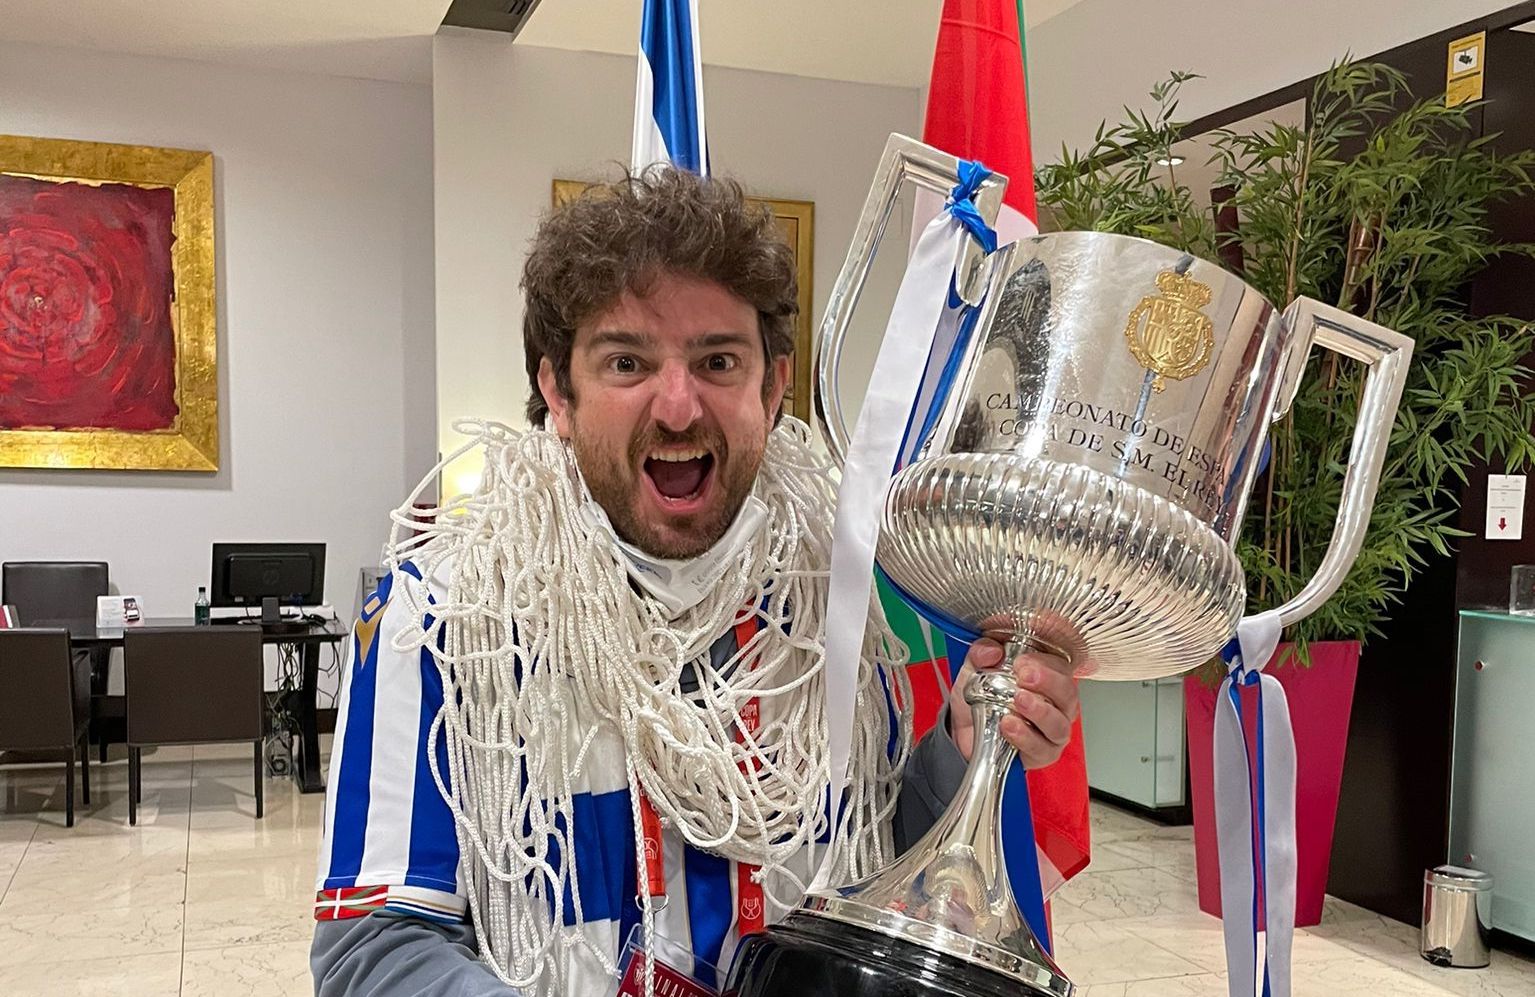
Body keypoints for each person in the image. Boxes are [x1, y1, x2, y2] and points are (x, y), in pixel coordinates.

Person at [310, 168, 1080, 997]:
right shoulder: (443, 610)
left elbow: (882, 875)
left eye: (717, 359)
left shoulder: (842, 594)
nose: (677, 407)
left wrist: (963, 756)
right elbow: (374, 953)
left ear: (774, 385)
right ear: (554, 391)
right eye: (626, 361)